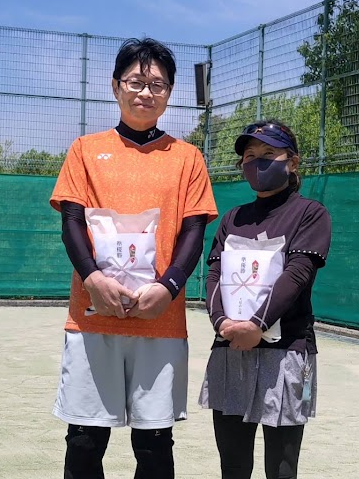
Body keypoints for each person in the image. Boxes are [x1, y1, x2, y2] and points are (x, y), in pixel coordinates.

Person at [49, 37, 218, 479]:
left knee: (154, 444)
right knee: (84, 441)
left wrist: (169, 287)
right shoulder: (85, 149)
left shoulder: (187, 158)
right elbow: (71, 221)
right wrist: (93, 280)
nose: (146, 92)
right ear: (116, 86)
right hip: (93, 316)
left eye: (157, 85)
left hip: (159, 318)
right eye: (136, 82)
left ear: (169, 93)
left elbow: (194, 230)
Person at [199, 120, 332, 479]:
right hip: (230, 347)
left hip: (286, 351)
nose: (257, 162)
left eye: (269, 153)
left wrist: (257, 325)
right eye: (250, 156)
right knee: (233, 466)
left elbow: (298, 275)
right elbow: (214, 275)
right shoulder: (233, 218)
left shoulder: (311, 213)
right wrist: (223, 323)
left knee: (282, 469)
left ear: (293, 162)